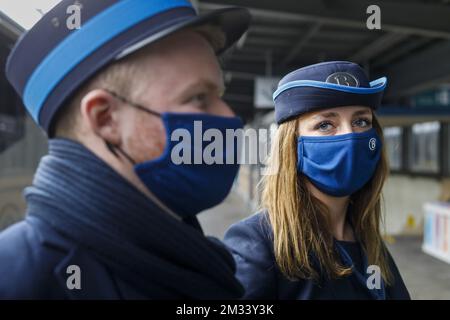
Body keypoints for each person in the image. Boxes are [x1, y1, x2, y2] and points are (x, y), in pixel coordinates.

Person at [0, 0, 250, 299]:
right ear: (105, 118)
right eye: (198, 97)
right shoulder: (17, 281)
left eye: (219, 95)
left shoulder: (190, 252)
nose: (228, 116)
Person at [224, 61, 411, 300]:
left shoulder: (371, 246)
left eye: (361, 121)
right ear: (290, 146)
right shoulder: (256, 245)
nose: (349, 136)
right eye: (325, 125)